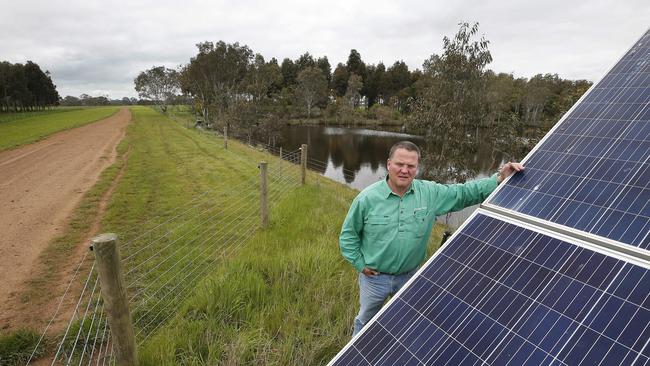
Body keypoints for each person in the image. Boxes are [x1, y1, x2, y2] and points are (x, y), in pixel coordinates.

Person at [339, 141, 524, 336]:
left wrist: (498, 179)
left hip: (409, 277)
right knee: (365, 321)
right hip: (374, 279)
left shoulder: (430, 193)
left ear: (417, 168)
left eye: (410, 166)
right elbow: (348, 236)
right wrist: (360, 264)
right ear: (388, 164)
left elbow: (462, 193)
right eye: (399, 164)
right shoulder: (367, 199)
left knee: (407, 323)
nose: (404, 170)